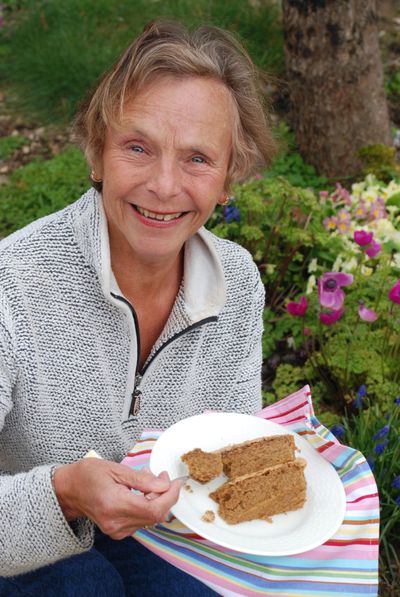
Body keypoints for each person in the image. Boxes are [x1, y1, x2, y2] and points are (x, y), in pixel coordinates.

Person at [0, 19, 275, 596]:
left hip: (162, 534)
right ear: (96, 152)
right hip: (22, 541)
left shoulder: (239, 284)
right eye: (137, 147)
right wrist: (64, 493)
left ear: (229, 179)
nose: (164, 185)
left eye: (198, 158)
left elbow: (227, 456)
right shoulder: (12, 282)